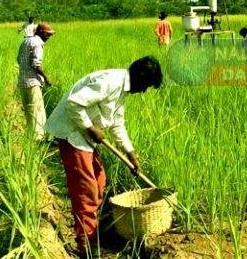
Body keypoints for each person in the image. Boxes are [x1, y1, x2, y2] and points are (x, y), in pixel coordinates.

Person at [44, 56, 163, 256]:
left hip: (84, 137)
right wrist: (89, 127)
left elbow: (117, 123)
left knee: (99, 181)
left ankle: (91, 227)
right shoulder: (110, 82)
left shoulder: (121, 91)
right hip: (72, 133)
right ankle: (87, 246)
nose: (143, 91)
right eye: (146, 86)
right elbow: (74, 102)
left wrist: (130, 153)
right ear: (140, 77)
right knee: (87, 190)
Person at [16, 22, 55, 141]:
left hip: (22, 81)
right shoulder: (38, 43)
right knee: (37, 110)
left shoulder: (26, 41)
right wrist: (46, 78)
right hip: (33, 82)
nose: (49, 37)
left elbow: (18, 59)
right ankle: (39, 139)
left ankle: (30, 135)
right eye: (48, 34)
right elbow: (36, 65)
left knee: (29, 110)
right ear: (42, 32)